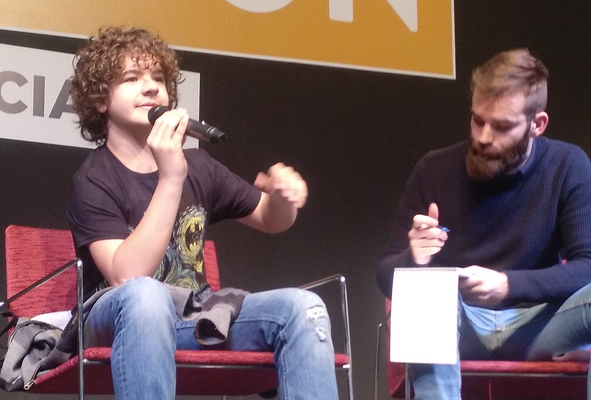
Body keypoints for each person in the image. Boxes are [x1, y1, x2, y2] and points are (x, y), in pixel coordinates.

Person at [65, 26, 339, 400]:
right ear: (100, 100)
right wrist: (171, 177)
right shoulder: (94, 178)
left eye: (158, 79)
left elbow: (270, 220)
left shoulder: (200, 165)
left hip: (193, 316)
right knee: (146, 296)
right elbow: (127, 276)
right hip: (117, 318)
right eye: (132, 79)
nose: (151, 87)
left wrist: (281, 199)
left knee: (304, 307)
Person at [376, 48, 591, 400]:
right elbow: (385, 276)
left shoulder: (568, 165)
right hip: (457, 325)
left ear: (537, 125)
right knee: (423, 296)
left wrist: (508, 285)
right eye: (477, 120)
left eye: (502, 126)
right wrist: (413, 258)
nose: (484, 137)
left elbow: (587, 267)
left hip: (538, 325)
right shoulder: (434, 169)